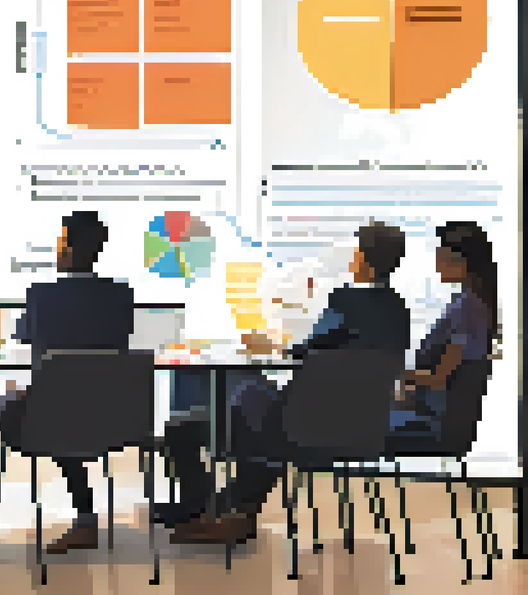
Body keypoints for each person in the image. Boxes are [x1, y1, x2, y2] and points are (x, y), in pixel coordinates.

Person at [172, 220, 412, 546]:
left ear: (362, 258)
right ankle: (231, 512)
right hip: (364, 426)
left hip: (312, 421)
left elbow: (311, 347)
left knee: (241, 401)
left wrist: (274, 347)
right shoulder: (399, 310)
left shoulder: (347, 301)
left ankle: (219, 511)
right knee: (254, 409)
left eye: (355, 253)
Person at [0, 211, 134, 553]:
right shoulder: (120, 296)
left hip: (52, 418)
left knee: (12, 405)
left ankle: (85, 518)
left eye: (60, 239)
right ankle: (85, 518)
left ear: (68, 248)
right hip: (112, 417)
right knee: (65, 408)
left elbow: (22, 336)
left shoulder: (41, 296)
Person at [388, 221, 499, 449]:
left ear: (461, 261)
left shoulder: (466, 309)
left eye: (440, 251)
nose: (436, 258)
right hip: (441, 417)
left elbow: (439, 377)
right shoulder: (477, 305)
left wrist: (393, 374)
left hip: (435, 423)